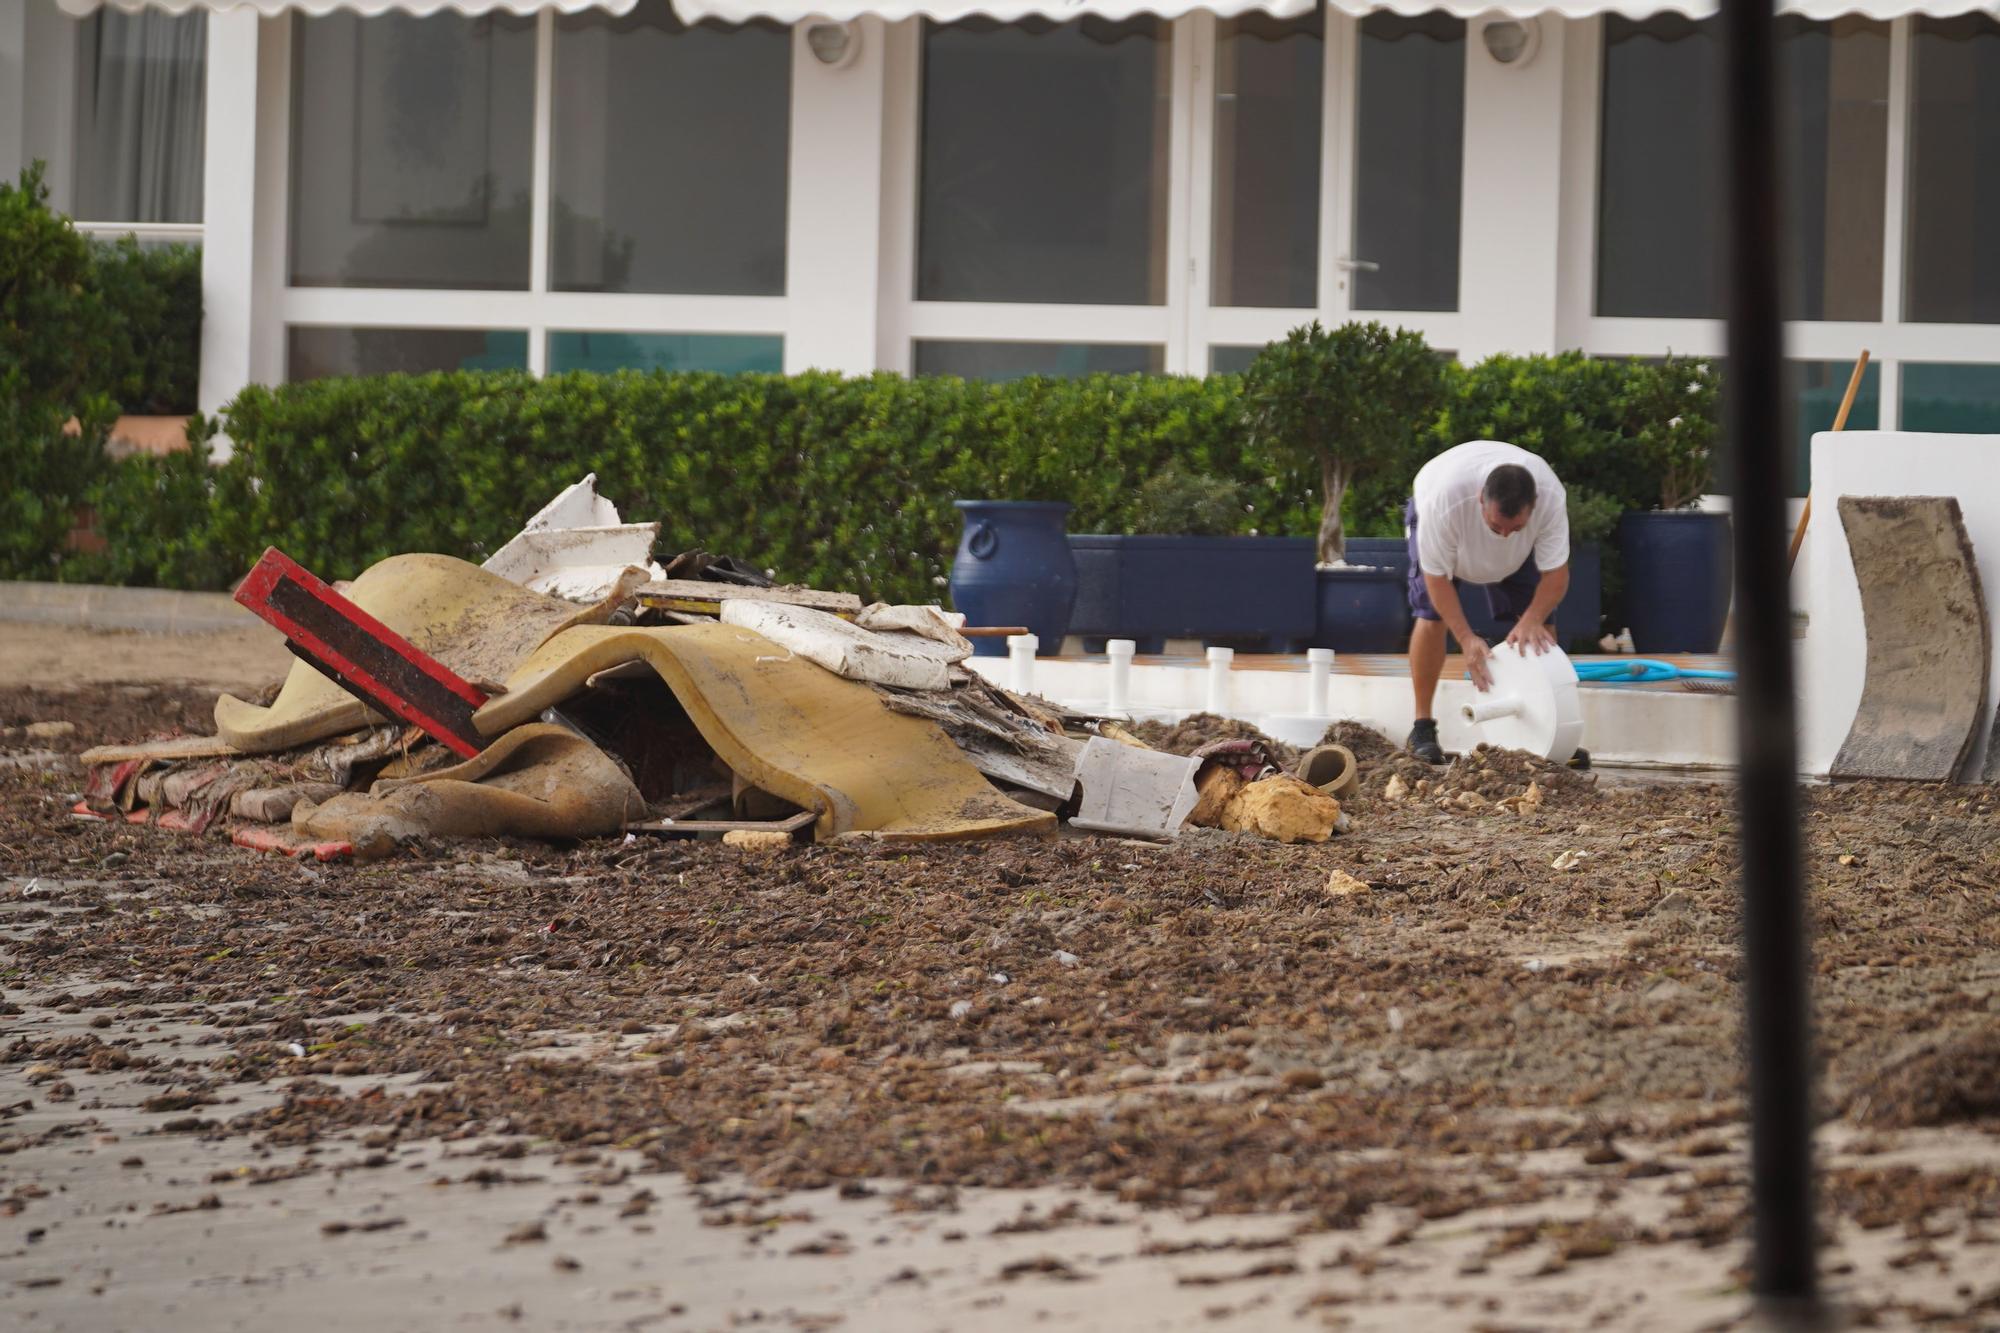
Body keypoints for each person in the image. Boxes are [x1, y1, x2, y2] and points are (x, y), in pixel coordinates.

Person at [1402, 440, 1569, 764]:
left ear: (1533, 507)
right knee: (1430, 615)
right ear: (1480, 500)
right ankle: (1422, 726)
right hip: (1452, 539)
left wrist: (1531, 619)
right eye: (1496, 527)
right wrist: (1465, 638)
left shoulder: (1550, 497)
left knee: (1541, 626)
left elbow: (1556, 576)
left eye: (1515, 528)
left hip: (1518, 559)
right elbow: (1436, 579)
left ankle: (1552, 726)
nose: (1504, 535)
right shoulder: (1444, 500)